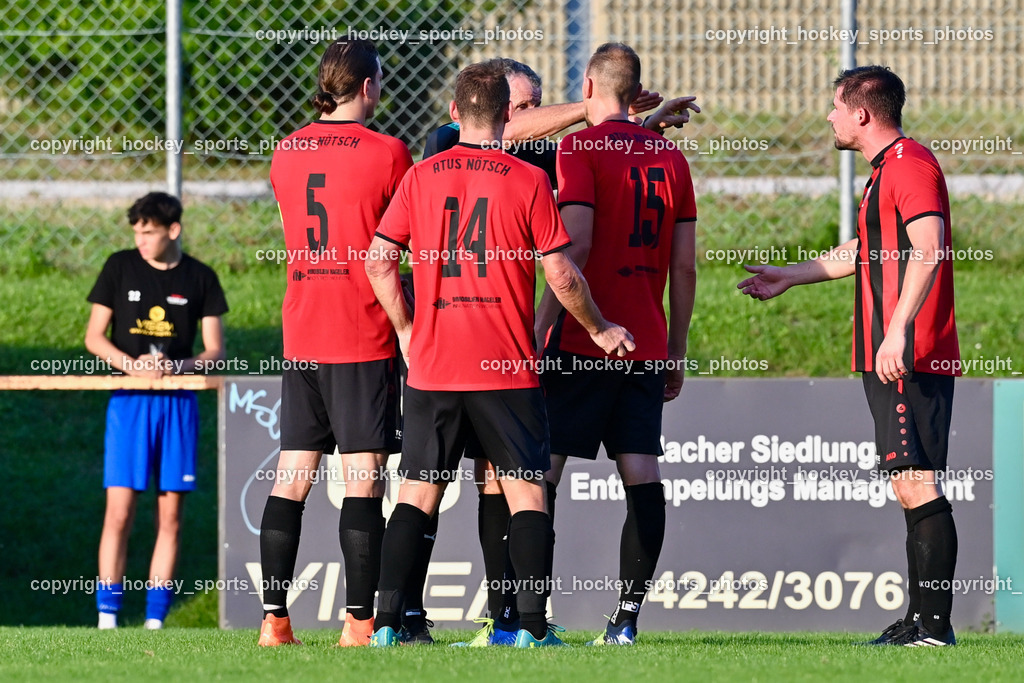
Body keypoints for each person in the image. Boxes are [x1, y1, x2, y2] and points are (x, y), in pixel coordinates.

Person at [419, 57, 699, 647]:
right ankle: (576, 619)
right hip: (535, 339)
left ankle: (524, 619)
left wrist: (543, 327)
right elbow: (675, 252)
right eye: (520, 107)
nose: (528, 117)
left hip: (568, 337)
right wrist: (614, 115)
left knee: (530, 475)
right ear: (493, 109)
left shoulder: (565, 152)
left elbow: (590, 224)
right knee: (526, 475)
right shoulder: (449, 142)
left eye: (534, 105)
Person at [364, 60, 634, 648]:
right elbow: (561, 274)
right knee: (525, 491)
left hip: (434, 362)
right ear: (510, 116)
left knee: (417, 492)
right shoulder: (529, 180)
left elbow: (378, 260)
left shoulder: (421, 176)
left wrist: (406, 330)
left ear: (454, 112)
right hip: (506, 365)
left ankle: (385, 626)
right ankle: (530, 629)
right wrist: (598, 327)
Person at [738, 65, 960, 647]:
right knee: (908, 482)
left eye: (836, 107)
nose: (830, 117)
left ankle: (935, 629)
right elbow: (869, 248)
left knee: (917, 481)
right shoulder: (885, 170)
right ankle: (920, 621)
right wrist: (792, 275)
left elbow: (929, 248)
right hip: (890, 351)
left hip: (908, 352)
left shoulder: (909, 163)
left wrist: (897, 330)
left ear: (861, 113)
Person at [533, 42, 698, 646]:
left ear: (586, 86)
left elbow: (574, 246)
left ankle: (531, 618)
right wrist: (675, 349)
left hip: (584, 337)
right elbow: (685, 266)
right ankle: (625, 621)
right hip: (646, 343)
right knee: (641, 475)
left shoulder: (578, 147)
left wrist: (541, 327)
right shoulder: (671, 158)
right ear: (635, 93)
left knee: (542, 475)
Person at [257, 39, 413, 647]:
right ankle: (358, 623)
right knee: (363, 478)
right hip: (361, 330)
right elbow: (401, 242)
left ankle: (274, 621)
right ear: (368, 86)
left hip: (303, 328)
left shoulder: (287, 149)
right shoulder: (388, 151)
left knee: (291, 475)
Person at [85, 191, 228, 630]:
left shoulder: (201, 277)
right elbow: (94, 337)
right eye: (136, 233)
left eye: (148, 232)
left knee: (170, 517)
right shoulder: (119, 266)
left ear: (173, 230)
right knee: (119, 512)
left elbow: (215, 351)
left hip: (178, 403)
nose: (141, 241)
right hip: (129, 401)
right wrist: (134, 366)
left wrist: (175, 367)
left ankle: (155, 621)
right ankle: (107, 617)